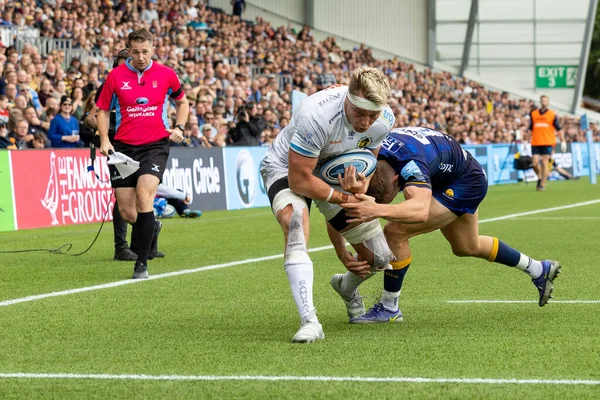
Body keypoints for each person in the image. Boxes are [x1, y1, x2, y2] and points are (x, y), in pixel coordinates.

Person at [336, 126, 561, 323]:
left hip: (465, 180)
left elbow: (420, 210)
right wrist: (341, 247)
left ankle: (389, 307)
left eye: (393, 195)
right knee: (466, 246)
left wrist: (377, 209)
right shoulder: (367, 157)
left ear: (397, 180)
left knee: (395, 231)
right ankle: (538, 269)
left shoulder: (410, 166)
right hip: (454, 168)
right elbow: (338, 205)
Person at [259, 67, 396, 343]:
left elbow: (367, 160)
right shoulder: (316, 116)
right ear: (348, 97)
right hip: (288, 169)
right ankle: (310, 321)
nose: (366, 122)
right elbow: (300, 181)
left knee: (379, 258)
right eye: (360, 113)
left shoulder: (384, 119)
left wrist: (361, 186)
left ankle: (345, 286)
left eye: (373, 115)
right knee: (295, 224)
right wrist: (345, 199)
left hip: (333, 170)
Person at [96, 28, 189, 279]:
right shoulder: (115, 76)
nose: (140, 57)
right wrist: (105, 139)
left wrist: (179, 126)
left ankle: (141, 265)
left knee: (144, 195)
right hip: (123, 148)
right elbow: (101, 110)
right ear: (129, 51)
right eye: (135, 52)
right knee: (126, 212)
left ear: (152, 49)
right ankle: (152, 227)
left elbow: (182, 101)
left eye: (145, 52)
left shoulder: (167, 74)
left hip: (155, 145)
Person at [528, 95, 566, 191]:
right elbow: (530, 128)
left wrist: (563, 141)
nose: (544, 102)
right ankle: (540, 177)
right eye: (542, 100)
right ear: (540, 101)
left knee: (545, 162)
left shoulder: (552, 114)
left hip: (547, 141)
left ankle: (542, 184)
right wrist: (526, 139)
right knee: (534, 163)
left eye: (545, 100)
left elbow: (559, 129)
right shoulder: (534, 113)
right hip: (536, 141)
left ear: (548, 102)